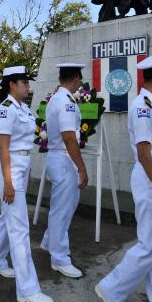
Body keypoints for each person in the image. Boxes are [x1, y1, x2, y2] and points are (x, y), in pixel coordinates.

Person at [96, 52, 152, 302]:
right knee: (149, 246)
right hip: (150, 178)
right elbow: (145, 154)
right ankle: (111, 289)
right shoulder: (143, 106)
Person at [0, 66, 54, 302]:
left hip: (21, 165)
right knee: (20, 228)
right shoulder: (5, 110)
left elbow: (26, 141)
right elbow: (4, 148)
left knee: (8, 219)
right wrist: (8, 182)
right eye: (24, 82)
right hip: (9, 168)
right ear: (12, 85)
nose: (28, 86)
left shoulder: (23, 108)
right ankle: (27, 289)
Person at [40, 63, 89, 279]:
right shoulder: (65, 102)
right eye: (80, 78)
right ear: (76, 78)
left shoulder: (58, 99)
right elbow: (69, 137)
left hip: (59, 157)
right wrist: (82, 168)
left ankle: (50, 241)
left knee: (66, 205)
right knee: (62, 209)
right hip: (63, 158)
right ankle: (59, 258)